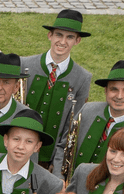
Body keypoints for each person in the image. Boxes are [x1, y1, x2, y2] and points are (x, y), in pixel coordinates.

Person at [21, 9, 93, 168]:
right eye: (59, 35)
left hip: (49, 159)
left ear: (77, 41)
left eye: (70, 37)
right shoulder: (25, 65)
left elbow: (73, 125)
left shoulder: (82, 78)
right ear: (50, 35)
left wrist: (58, 163)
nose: (63, 41)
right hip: (18, 150)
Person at [66, 60, 124, 179]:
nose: (119, 96)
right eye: (114, 89)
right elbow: (64, 146)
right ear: (106, 90)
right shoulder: (87, 110)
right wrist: (60, 178)